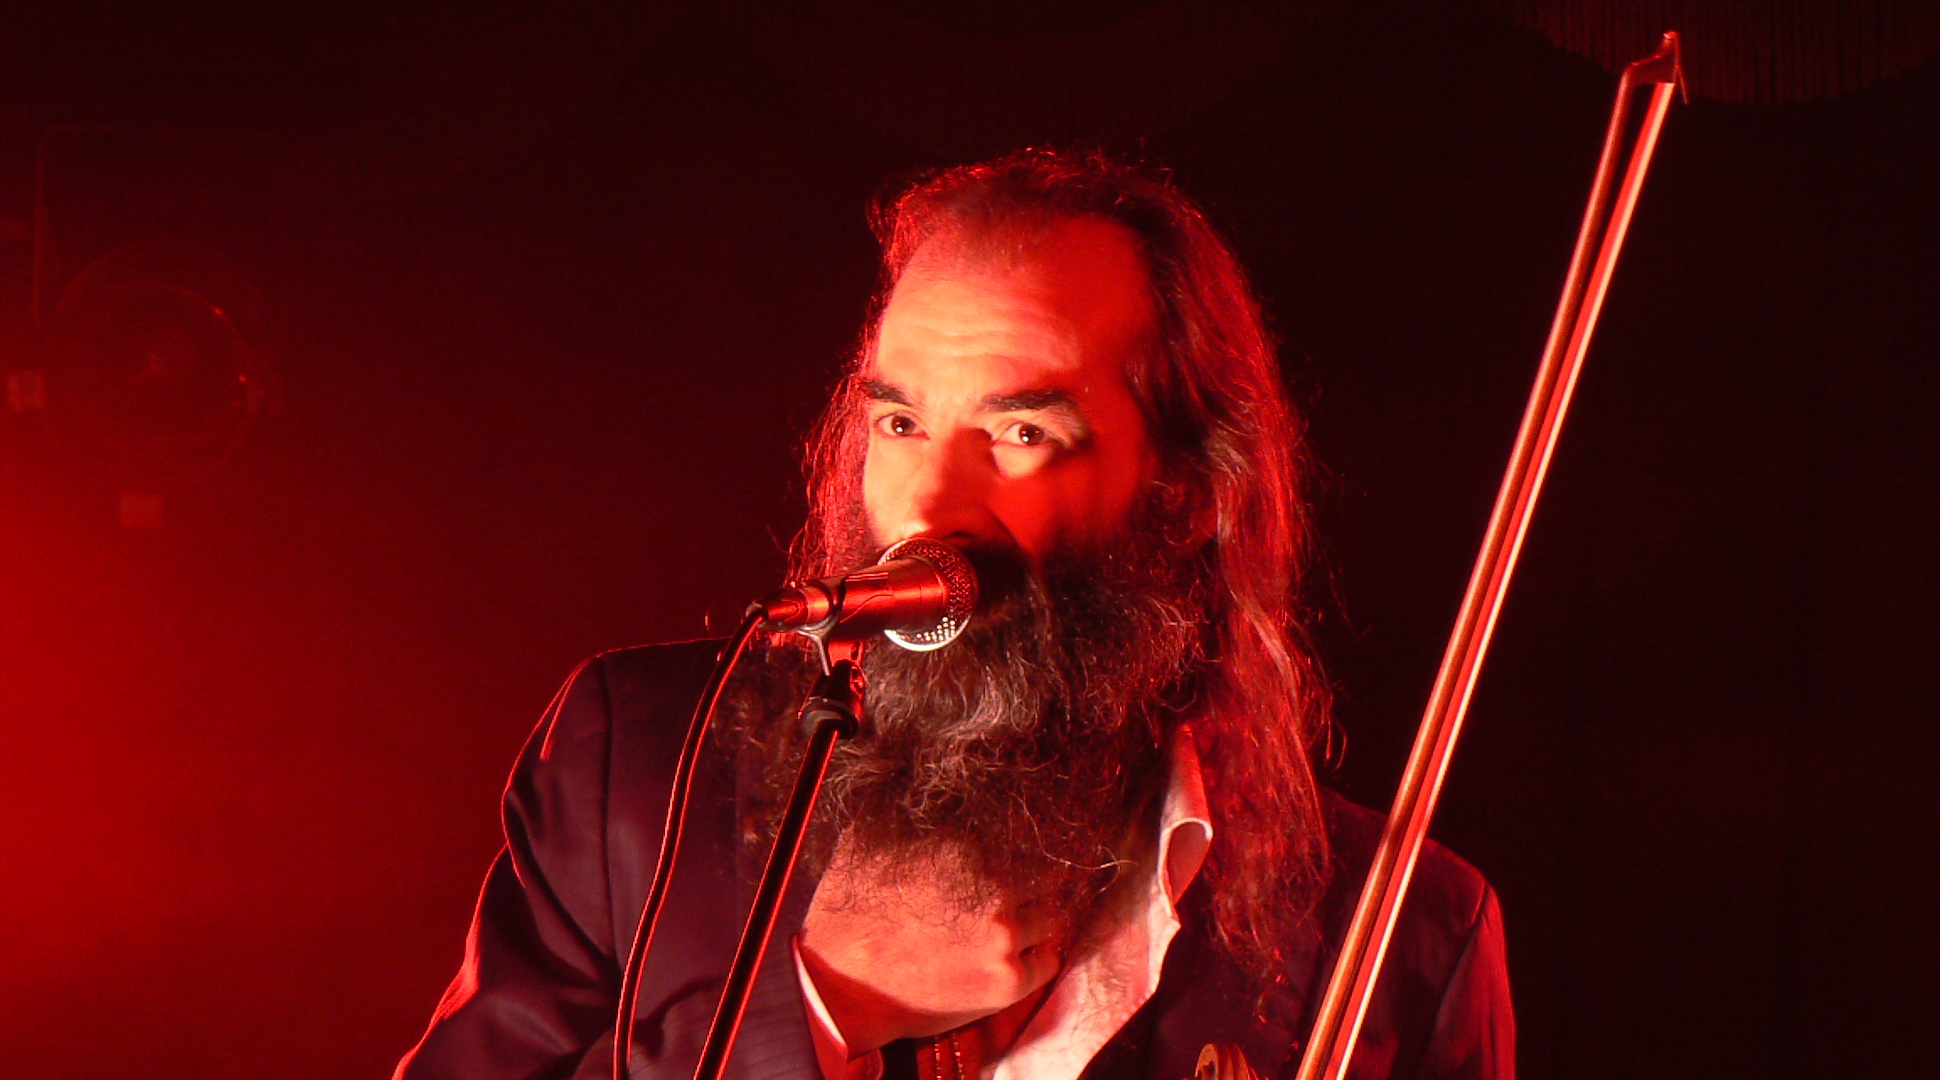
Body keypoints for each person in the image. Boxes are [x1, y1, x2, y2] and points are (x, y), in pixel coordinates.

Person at [394, 149, 1514, 1080]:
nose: (928, 508)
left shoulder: (1404, 926)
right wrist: (828, 1001)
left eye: (1019, 435)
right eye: (899, 425)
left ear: (1181, 497)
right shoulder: (632, 765)